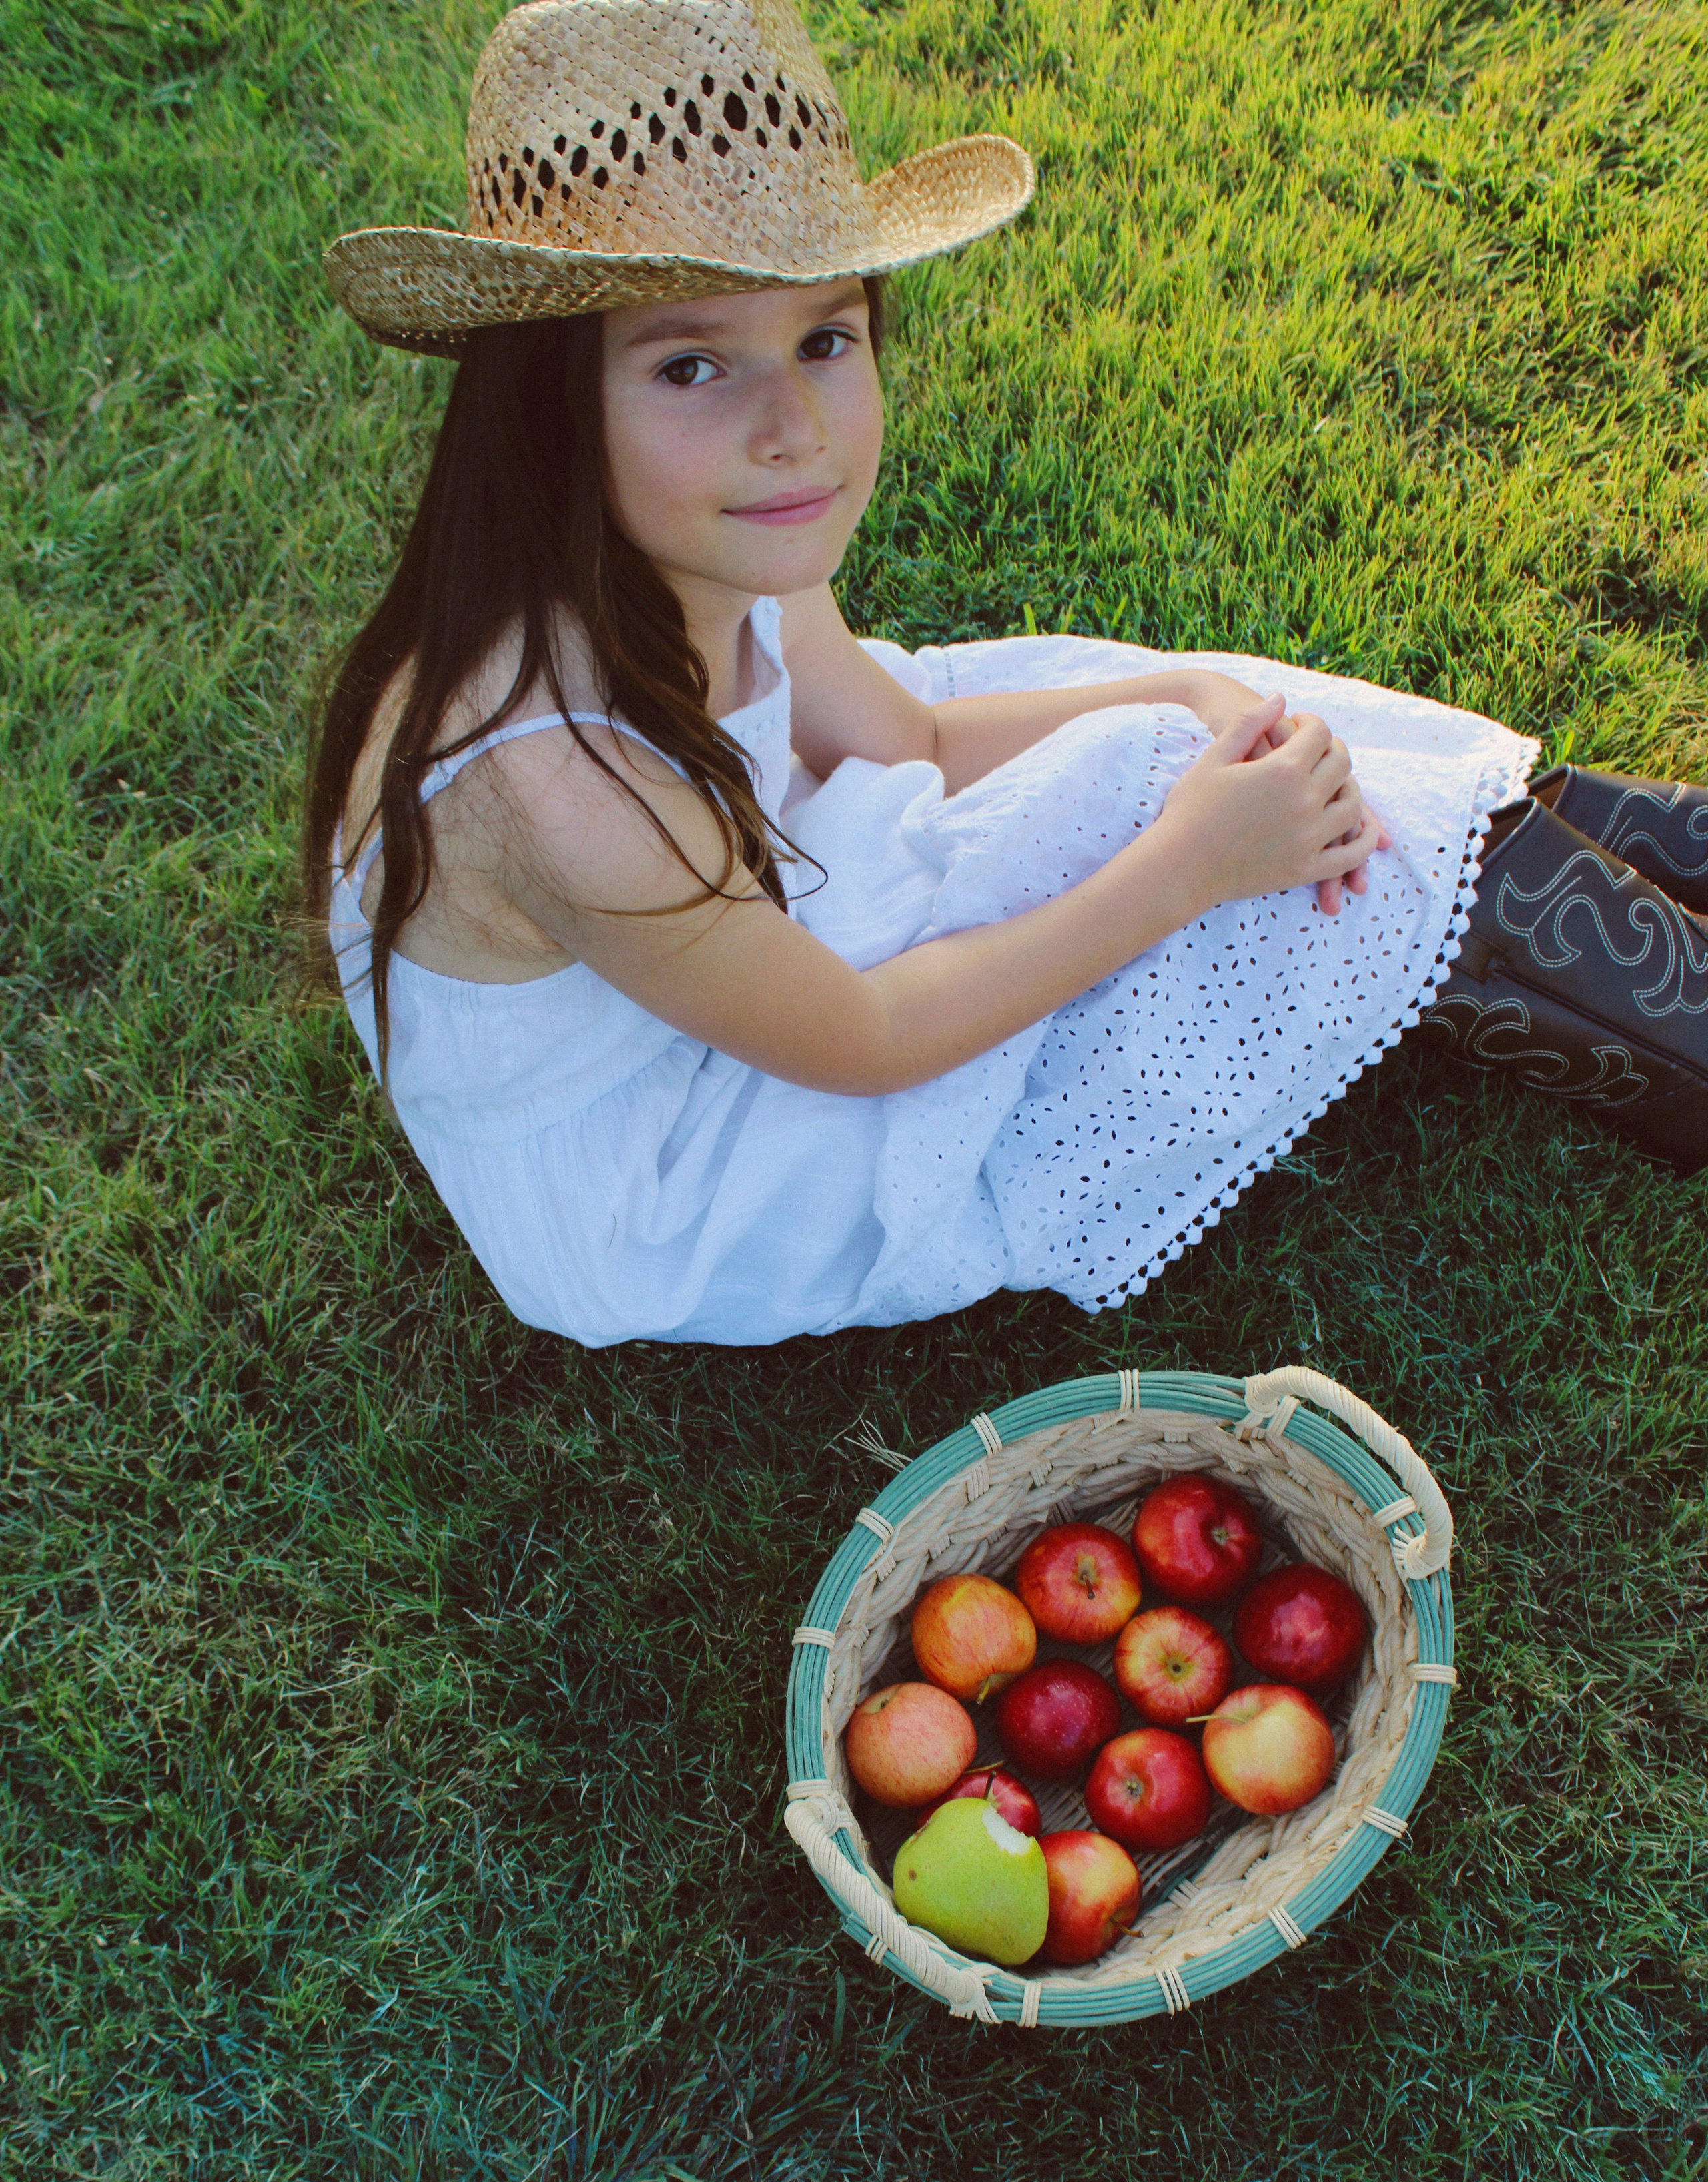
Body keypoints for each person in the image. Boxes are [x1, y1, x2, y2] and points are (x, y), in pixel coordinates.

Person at [306, 0, 1708, 1349]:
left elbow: (901, 734)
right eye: (688, 368)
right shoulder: (560, 782)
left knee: (1192, 725)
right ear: (543, 407)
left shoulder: (719, 545)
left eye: (824, 339)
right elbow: (864, 1040)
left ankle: (1591, 857)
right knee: (1173, 807)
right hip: (702, 1166)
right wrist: (1185, 866)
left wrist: (1187, 696)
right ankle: (1633, 1016)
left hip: (752, 931)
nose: (791, 426)